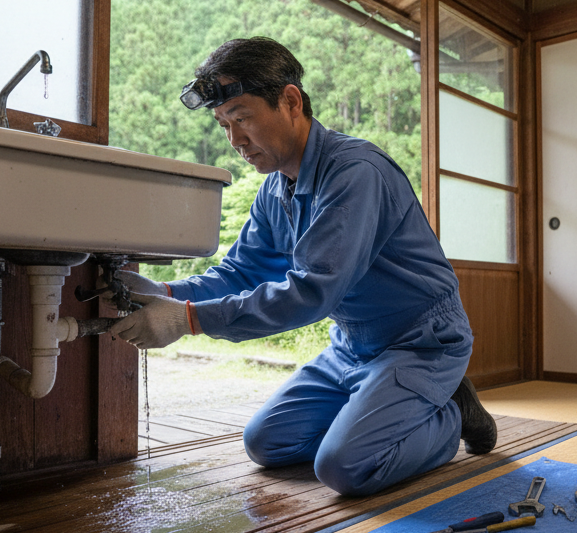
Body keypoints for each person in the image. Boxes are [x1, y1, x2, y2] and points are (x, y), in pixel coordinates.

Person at [107, 36, 497, 496]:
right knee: (266, 444)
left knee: (344, 469)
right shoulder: (275, 189)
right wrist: (167, 293)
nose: (235, 140)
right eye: (224, 124)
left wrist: (189, 320)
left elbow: (313, 291)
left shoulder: (355, 172)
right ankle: (384, 408)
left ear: (291, 101)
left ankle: (451, 412)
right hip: (352, 347)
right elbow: (240, 271)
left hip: (422, 343)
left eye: (243, 118)